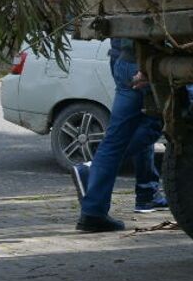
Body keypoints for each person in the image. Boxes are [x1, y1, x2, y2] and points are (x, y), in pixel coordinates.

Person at [71, 37, 167, 232]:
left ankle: (93, 211)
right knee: (178, 122)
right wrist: (146, 67)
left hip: (126, 60)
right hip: (149, 63)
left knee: (115, 139)